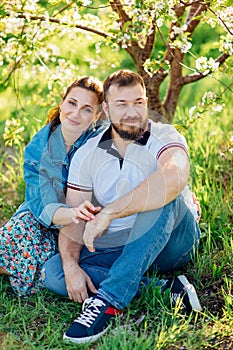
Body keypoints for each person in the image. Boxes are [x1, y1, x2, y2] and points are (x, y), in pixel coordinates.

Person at [43, 70, 202, 345]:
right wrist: (71, 265)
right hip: (119, 248)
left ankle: (109, 300)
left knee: (161, 192)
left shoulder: (164, 134)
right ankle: (169, 290)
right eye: (122, 104)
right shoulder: (88, 153)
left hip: (171, 243)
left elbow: (173, 179)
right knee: (54, 272)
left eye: (138, 103)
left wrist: (110, 212)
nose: (132, 112)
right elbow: (74, 221)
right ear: (105, 109)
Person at [0, 76, 107, 296]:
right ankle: (21, 268)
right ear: (62, 103)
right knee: (14, 235)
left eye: (87, 109)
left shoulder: (102, 139)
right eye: (72, 103)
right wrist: (74, 213)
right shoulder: (38, 150)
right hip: (49, 217)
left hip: (87, 223)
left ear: (96, 116)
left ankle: (26, 269)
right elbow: (44, 208)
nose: (75, 113)